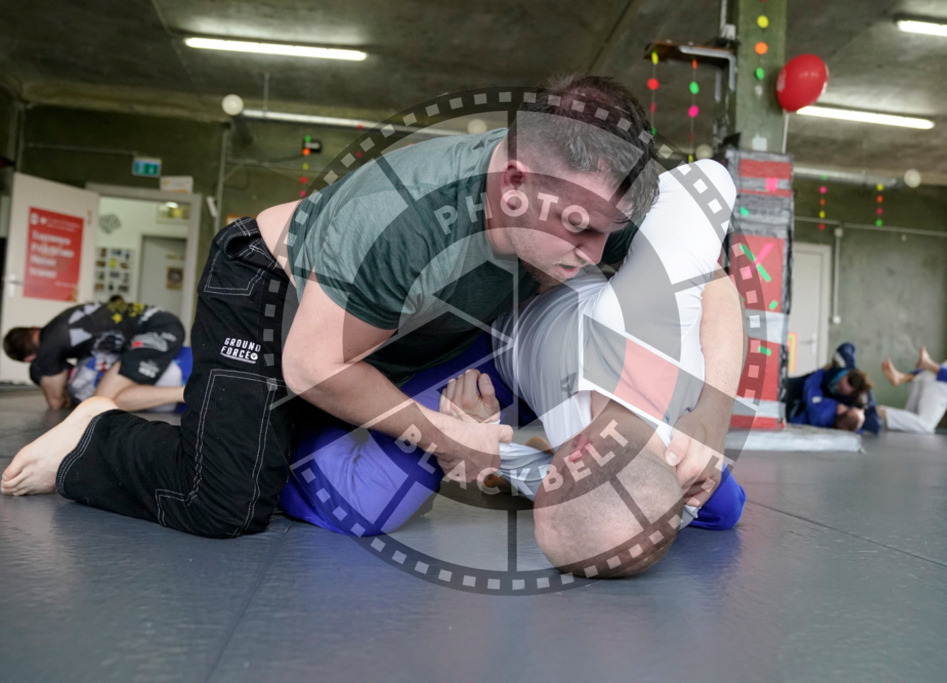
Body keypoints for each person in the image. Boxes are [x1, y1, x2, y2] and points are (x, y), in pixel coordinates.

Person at [3, 76, 741, 542]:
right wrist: (447, 431)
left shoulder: (589, 194)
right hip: (273, 300)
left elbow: (712, 287)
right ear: (514, 180)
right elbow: (312, 362)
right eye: (577, 231)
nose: (591, 253)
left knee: (362, 490)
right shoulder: (404, 219)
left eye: (604, 234)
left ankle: (272, 437)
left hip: (412, 333)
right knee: (223, 504)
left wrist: (707, 425)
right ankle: (99, 435)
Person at [280, 159, 746, 577]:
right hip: (500, 333)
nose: (537, 485)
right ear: (578, 453)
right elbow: (706, 180)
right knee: (724, 507)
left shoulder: (662, 489)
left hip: (503, 375)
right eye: (546, 488)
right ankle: (332, 395)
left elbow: (508, 468)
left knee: (358, 505)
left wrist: (474, 443)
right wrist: (715, 413)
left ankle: (319, 417)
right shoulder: (647, 322)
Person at [3, 300, 186, 411]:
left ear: (29, 358)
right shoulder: (59, 323)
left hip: (158, 329)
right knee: (105, 397)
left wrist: (41, 372)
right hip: (158, 321)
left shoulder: (48, 348)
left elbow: (56, 402)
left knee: (103, 401)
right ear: (35, 327)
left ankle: (188, 393)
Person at [785, 342, 879, 433]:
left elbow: (873, 425)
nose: (836, 387)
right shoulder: (843, 363)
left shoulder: (862, 400)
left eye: (841, 390)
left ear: (851, 394)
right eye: (839, 382)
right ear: (847, 373)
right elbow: (848, 346)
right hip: (804, 384)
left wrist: (849, 413)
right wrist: (821, 372)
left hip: (807, 404)